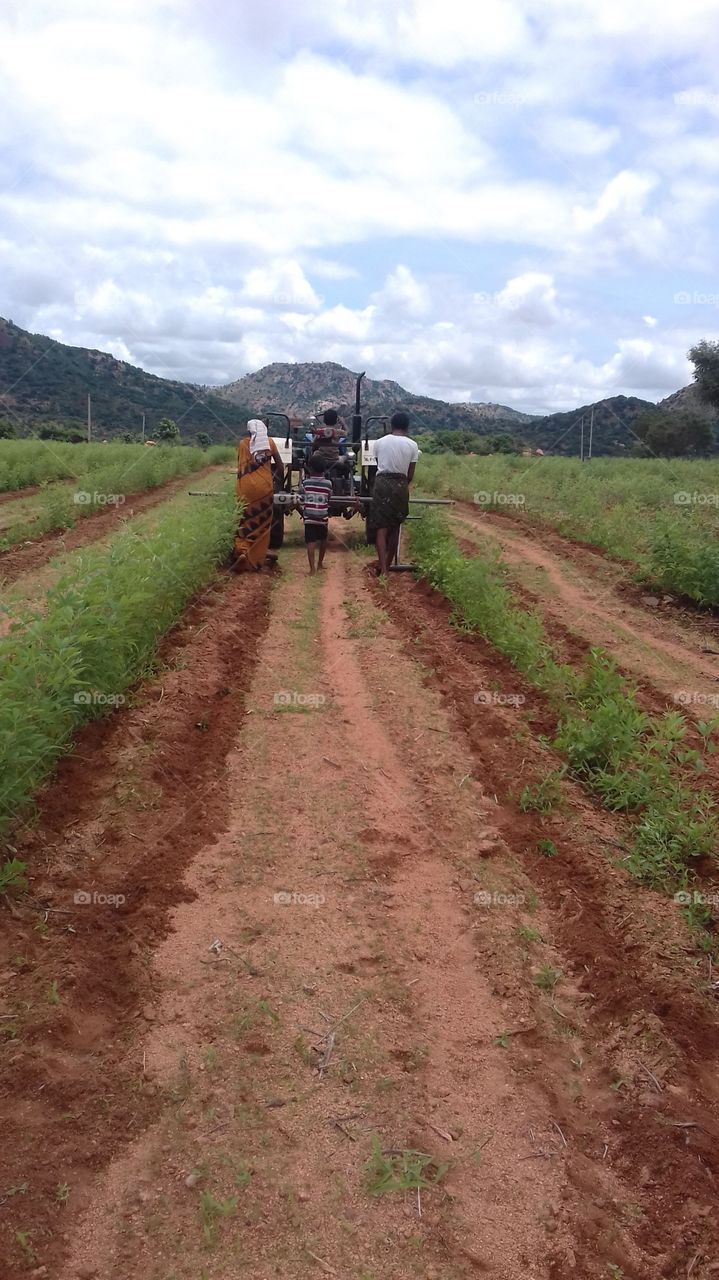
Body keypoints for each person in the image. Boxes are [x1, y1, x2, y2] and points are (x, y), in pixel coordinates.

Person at [368, 410, 419, 577]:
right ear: (407, 427)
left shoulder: (379, 443)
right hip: (400, 485)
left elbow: (379, 465)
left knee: (380, 528)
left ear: (392, 425)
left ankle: (383, 569)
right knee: (395, 526)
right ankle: (388, 567)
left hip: (382, 484)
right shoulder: (412, 445)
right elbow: (410, 474)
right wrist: (401, 485)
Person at [234, 418, 284, 572]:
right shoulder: (270, 443)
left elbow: (240, 466)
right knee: (262, 524)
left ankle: (242, 551)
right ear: (265, 430)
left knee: (243, 520)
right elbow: (280, 467)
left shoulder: (243, 444)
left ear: (250, 431)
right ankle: (255, 561)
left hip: (245, 488)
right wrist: (277, 480)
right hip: (264, 489)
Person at [299, 455, 333, 574]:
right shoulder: (328, 484)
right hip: (322, 518)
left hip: (309, 518)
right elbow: (329, 498)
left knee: (311, 542)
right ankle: (320, 564)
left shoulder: (306, 483)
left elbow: (301, 498)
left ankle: (312, 569)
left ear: (310, 468)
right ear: (324, 469)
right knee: (323, 540)